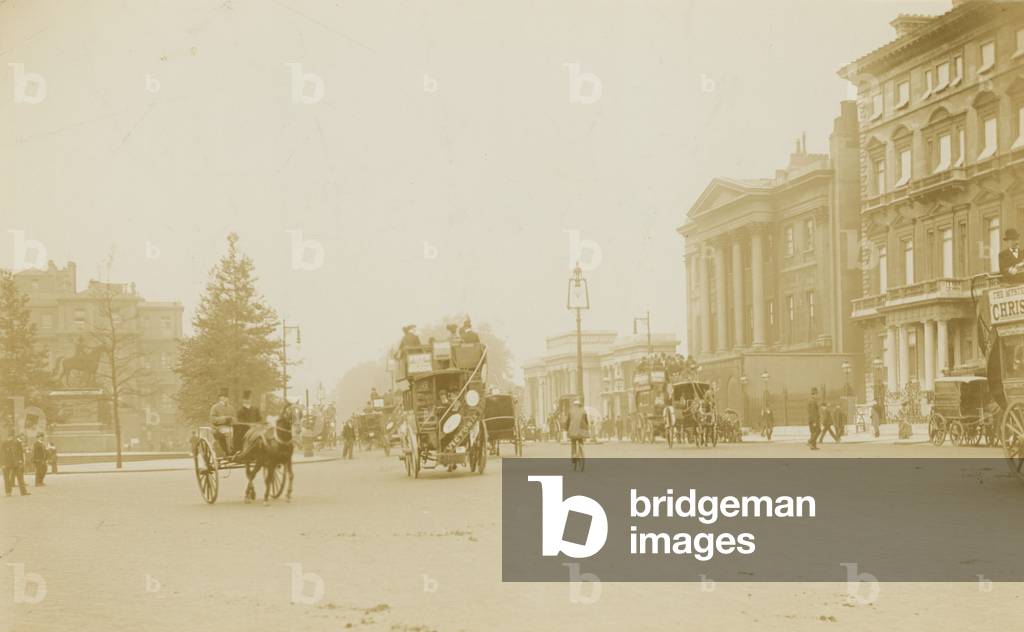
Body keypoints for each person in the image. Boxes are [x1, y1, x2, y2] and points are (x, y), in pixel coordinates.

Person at [235, 390, 263, 457]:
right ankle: (240, 449)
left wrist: (258, 423)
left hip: (255, 428)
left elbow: (260, 418)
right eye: (246, 399)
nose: (248, 400)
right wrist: (249, 424)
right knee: (240, 433)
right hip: (245, 429)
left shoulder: (255, 409)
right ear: (243, 400)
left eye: (249, 399)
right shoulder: (240, 411)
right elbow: (240, 421)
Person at [2, 428, 29, 496]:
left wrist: (21, 462)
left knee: (20, 477)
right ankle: (8, 492)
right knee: (7, 479)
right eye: (9, 436)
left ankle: (23, 492)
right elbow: (1, 454)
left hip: (16, 463)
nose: (10, 437)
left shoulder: (17, 443)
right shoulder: (4, 443)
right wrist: (2, 464)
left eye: (11, 436)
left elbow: (20, 453)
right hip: (7, 464)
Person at [209, 388, 234, 455]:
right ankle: (230, 452)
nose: (227, 399)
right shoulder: (215, 407)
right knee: (229, 433)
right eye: (225, 397)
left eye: (227, 397)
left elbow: (235, 418)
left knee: (239, 433)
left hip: (230, 426)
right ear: (221, 398)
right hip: (218, 428)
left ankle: (238, 450)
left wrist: (232, 420)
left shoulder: (231, 408)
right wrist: (224, 419)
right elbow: (212, 419)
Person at [567, 400, 589, 467]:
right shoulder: (583, 411)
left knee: (573, 443)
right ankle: (581, 451)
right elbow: (586, 421)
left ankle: (574, 456)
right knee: (580, 440)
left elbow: (568, 421)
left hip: (573, 431)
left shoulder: (570, 411)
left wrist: (567, 428)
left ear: (574, 405)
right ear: (580, 405)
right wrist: (587, 428)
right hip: (581, 431)